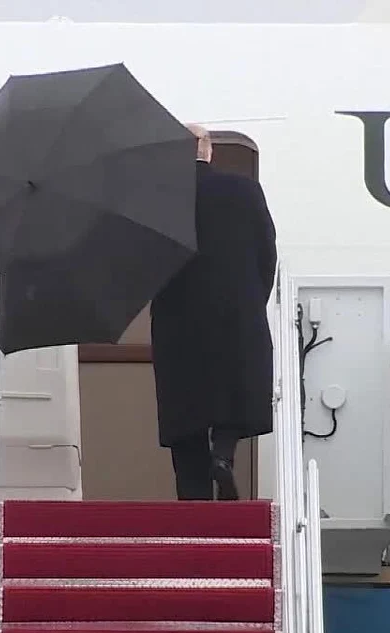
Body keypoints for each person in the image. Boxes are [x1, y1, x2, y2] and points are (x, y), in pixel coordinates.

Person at [150, 124, 278, 501]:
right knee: (233, 395)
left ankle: (193, 503)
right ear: (207, 150)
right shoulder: (244, 190)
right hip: (235, 312)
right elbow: (265, 252)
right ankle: (223, 454)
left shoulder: (158, 199)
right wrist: (253, 299)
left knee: (185, 413)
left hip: (178, 319)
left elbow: (144, 263)